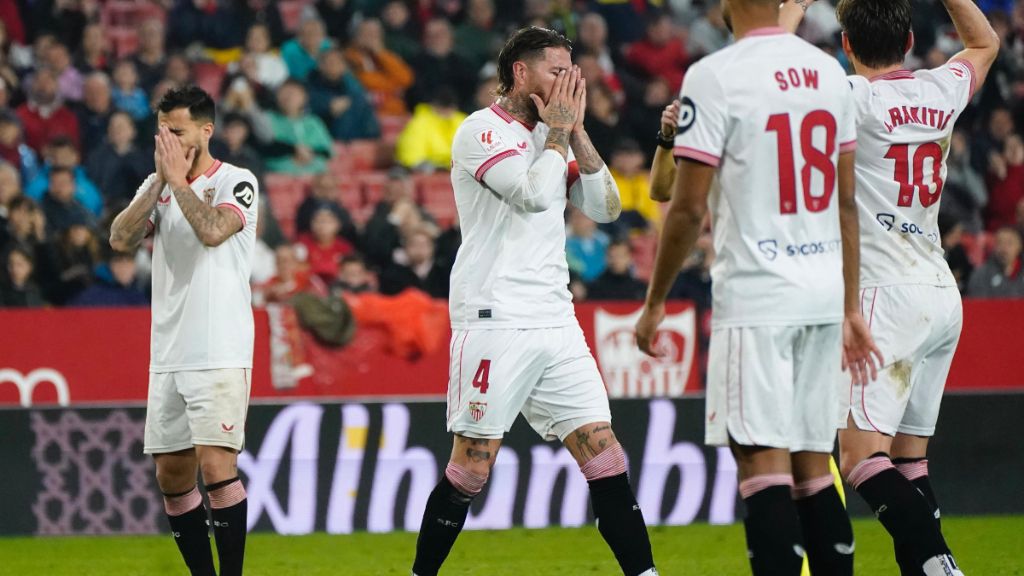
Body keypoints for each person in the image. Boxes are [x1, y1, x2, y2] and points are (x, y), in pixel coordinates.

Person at [635, 2, 881, 575]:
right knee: (813, 468)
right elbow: (846, 203)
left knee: (762, 464)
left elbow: (687, 204)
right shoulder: (827, 73)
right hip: (821, 297)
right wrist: (849, 307)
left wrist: (653, 304)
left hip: (758, 298)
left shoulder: (716, 76)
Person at [412, 27, 657, 576]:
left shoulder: (556, 136)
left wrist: (578, 133)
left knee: (605, 452)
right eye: (556, 70)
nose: (568, 81)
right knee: (471, 468)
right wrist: (558, 134)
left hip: (556, 319)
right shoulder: (481, 131)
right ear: (520, 72)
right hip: (494, 317)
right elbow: (532, 194)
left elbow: (607, 209)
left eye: (573, 72)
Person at [789, 1, 999, 574]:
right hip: (940, 291)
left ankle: (941, 564)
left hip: (885, 294)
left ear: (846, 46)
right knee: (909, 464)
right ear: (909, 39)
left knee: (859, 460)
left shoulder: (849, 98)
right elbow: (984, 45)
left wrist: (794, 8)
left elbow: (767, 63)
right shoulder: (939, 90)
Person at [108, 85, 259, 576]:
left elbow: (214, 231)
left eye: (177, 131)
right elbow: (118, 240)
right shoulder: (159, 186)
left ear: (206, 130)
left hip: (218, 348)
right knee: (171, 476)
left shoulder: (238, 181)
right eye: (162, 131)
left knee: (217, 468)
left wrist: (180, 184)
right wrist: (159, 184)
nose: (168, 140)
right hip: (168, 353)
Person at [968, 226, 1024, 297]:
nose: (1004, 248)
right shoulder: (981, 275)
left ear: (1019, 246)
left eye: (1009, 243)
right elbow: (977, 304)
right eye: (999, 242)